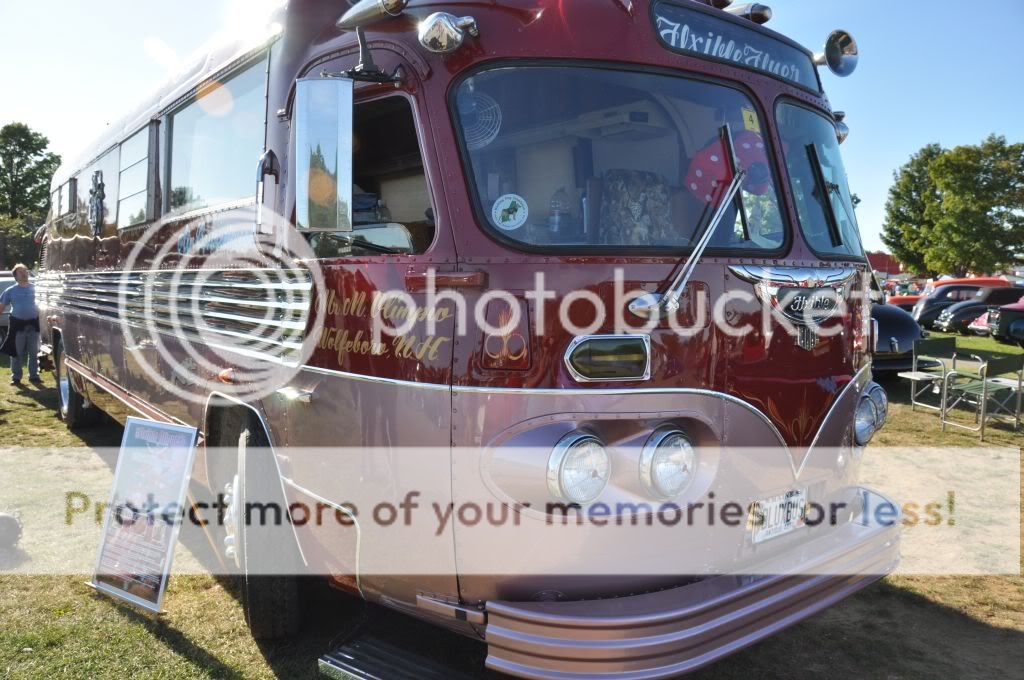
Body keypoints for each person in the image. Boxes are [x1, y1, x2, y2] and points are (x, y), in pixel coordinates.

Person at [0, 263, 41, 386]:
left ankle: (34, 376)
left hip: (34, 325)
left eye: (25, 271)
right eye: (21, 272)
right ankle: (16, 378)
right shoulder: (10, 291)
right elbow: (1, 307)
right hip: (17, 326)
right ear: (16, 276)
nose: (24, 273)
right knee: (16, 353)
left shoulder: (36, 288)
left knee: (34, 352)